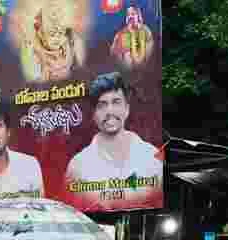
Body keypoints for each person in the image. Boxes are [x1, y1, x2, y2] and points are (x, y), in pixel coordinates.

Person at [64, 72, 163, 211]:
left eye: (116, 102)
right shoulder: (77, 166)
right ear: (94, 114)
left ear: (127, 109)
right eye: (102, 105)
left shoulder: (153, 157)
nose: (109, 111)